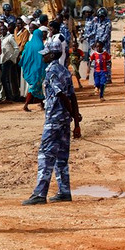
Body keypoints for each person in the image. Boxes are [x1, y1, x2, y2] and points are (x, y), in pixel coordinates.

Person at [23, 39, 82, 205]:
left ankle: (40, 194)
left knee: (46, 155)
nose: (43, 57)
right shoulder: (64, 71)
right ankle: (64, 191)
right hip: (65, 120)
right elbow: (72, 96)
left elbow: (62, 96)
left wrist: (73, 114)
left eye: (45, 54)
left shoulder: (51, 72)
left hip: (54, 119)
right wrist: (75, 120)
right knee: (61, 157)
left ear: (51, 54)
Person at [21, 26, 46, 111]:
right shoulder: (41, 45)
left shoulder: (28, 44)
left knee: (37, 87)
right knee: (34, 87)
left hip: (30, 69)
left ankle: (42, 104)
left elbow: (24, 56)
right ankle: (26, 105)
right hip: (38, 69)